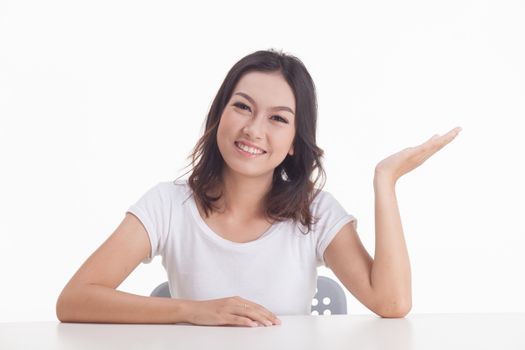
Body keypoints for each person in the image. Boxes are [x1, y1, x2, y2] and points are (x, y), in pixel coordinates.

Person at [56, 49, 462, 327]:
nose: (254, 129)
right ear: (219, 115)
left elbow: (391, 304)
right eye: (243, 107)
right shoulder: (168, 204)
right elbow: (74, 300)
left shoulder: (314, 212)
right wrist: (193, 311)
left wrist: (385, 181)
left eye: (278, 119)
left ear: (292, 144)